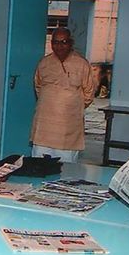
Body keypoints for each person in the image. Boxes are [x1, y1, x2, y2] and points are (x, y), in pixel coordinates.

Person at [30, 27, 97, 162]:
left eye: (64, 42)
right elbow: (38, 87)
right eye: (55, 42)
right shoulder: (44, 63)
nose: (59, 46)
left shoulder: (82, 64)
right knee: (38, 165)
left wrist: (70, 105)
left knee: (66, 169)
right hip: (45, 125)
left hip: (69, 126)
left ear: (71, 43)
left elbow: (89, 93)